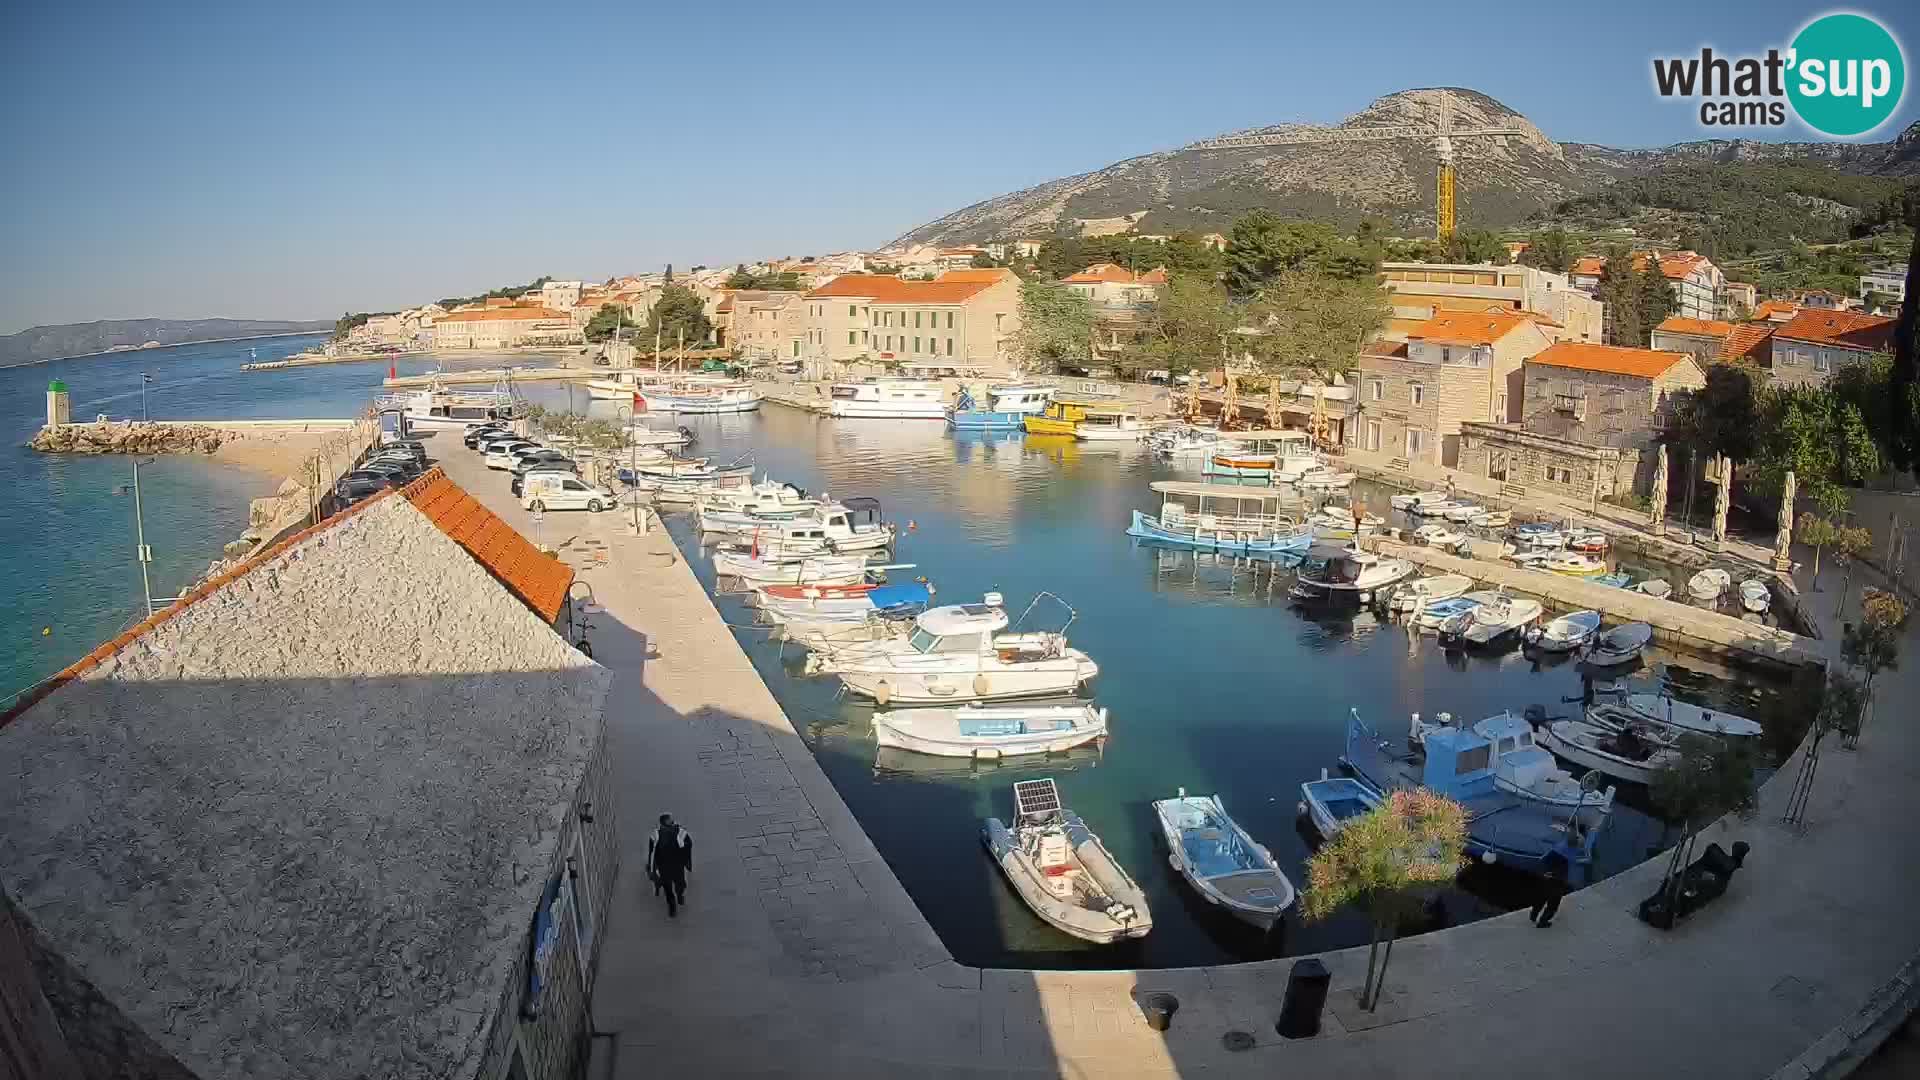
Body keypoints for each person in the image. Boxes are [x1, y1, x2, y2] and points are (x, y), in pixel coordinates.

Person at [648, 813, 694, 918]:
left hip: (671, 866)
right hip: (670, 866)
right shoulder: (660, 834)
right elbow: (689, 845)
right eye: (669, 820)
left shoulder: (678, 832)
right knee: (672, 886)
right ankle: (674, 903)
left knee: (675, 885)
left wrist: (652, 869)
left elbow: (651, 852)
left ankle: (677, 898)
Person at [1530, 850, 1569, 928]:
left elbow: (1542, 860)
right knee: (1553, 905)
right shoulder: (1569, 856)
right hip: (1557, 882)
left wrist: (1544, 872)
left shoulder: (1555, 850)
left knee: (1540, 899)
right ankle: (1543, 921)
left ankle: (1533, 915)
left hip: (1546, 880)